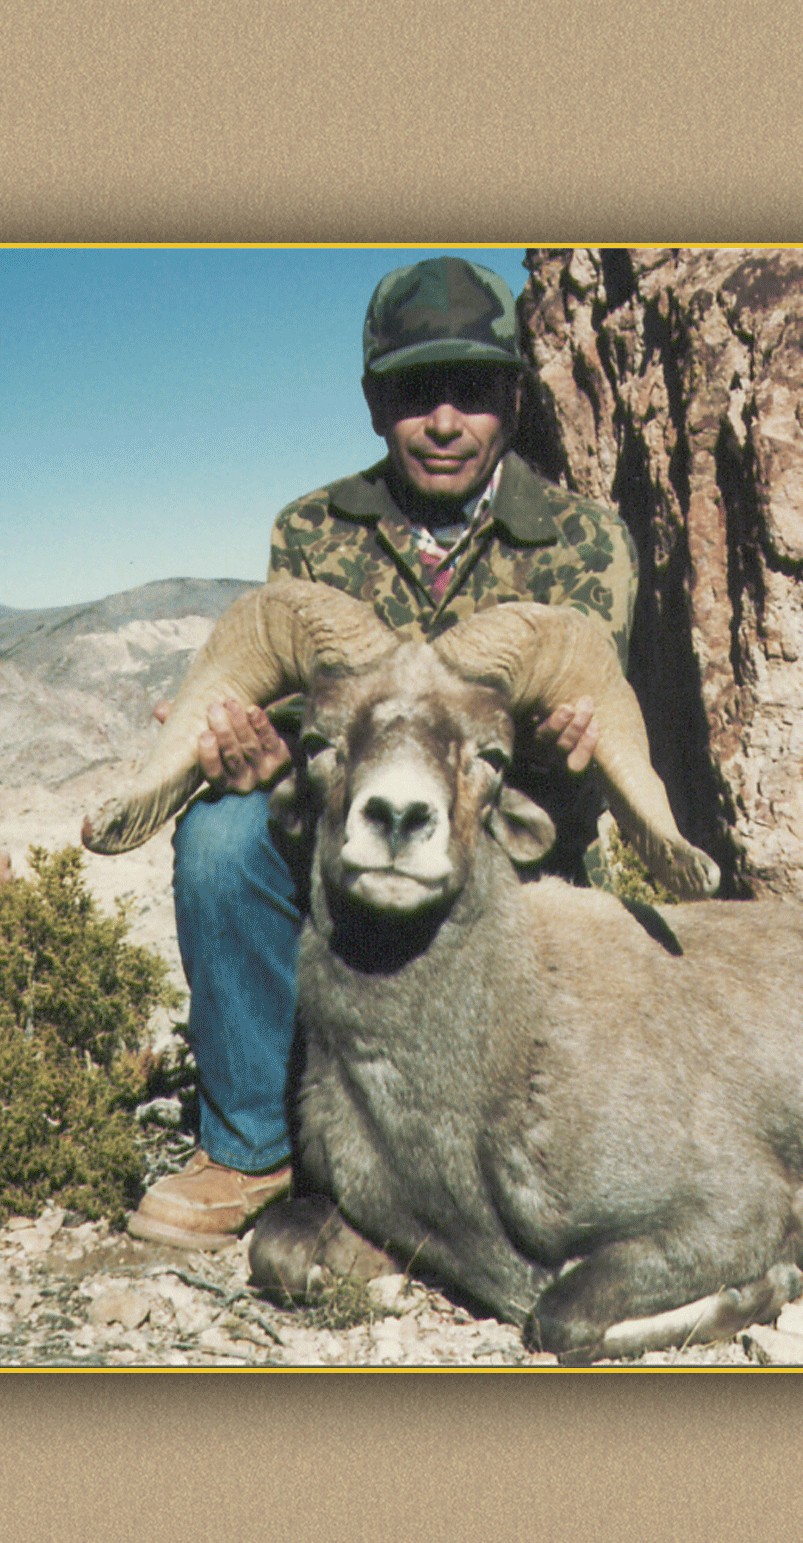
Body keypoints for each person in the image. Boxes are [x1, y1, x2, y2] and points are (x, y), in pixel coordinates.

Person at [126, 255, 640, 1249]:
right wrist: (247, 748)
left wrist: (576, 747)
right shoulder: (315, 530)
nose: (444, 421)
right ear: (373, 405)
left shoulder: (584, 539)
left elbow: (583, 711)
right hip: (364, 822)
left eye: (473, 391)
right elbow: (298, 715)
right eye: (414, 392)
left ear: (512, 400)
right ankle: (250, 1145)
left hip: (500, 836)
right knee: (225, 835)